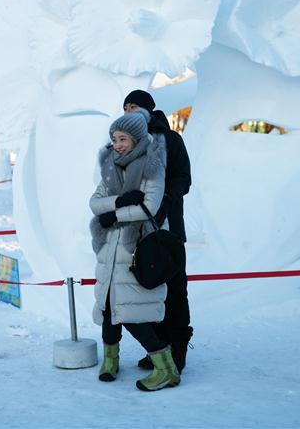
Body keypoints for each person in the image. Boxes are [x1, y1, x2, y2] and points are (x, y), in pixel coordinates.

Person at [89, 108, 180, 391]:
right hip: (110, 250)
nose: (116, 144)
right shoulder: (110, 165)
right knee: (107, 309)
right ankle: (110, 361)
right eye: (114, 138)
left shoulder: (152, 165)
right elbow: (95, 203)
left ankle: (167, 369)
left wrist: (114, 215)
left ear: (137, 138)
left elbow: (148, 207)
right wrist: (120, 201)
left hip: (136, 249)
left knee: (132, 314)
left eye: (122, 139)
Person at [122, 89, 194, 373]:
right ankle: (157, 349)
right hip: (137, 229)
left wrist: (162, 202)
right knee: (146, 291)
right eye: (126, 107)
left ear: (150, 110)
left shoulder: (171, 139)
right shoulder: (126, 142)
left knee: (175, 291)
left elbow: (184, 179)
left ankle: (177, 349)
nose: (129, 111)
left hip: (168, 230)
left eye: (135, 106)